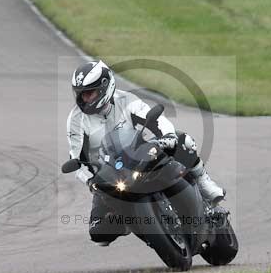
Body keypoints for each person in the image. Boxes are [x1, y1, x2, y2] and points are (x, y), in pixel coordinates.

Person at [66, 60, 225, 246]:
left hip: (141, 156)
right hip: (108, 174)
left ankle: (205, 184)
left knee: (184, 141)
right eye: (81, 95)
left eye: (89, 93)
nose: (85, 99)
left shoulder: (127, 101)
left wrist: (168, 136)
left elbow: (158, 120)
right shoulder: (76, 120)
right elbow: (77, 160)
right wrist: (91, 181)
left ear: (104, 87)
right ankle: (131, 223)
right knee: (98, 233)